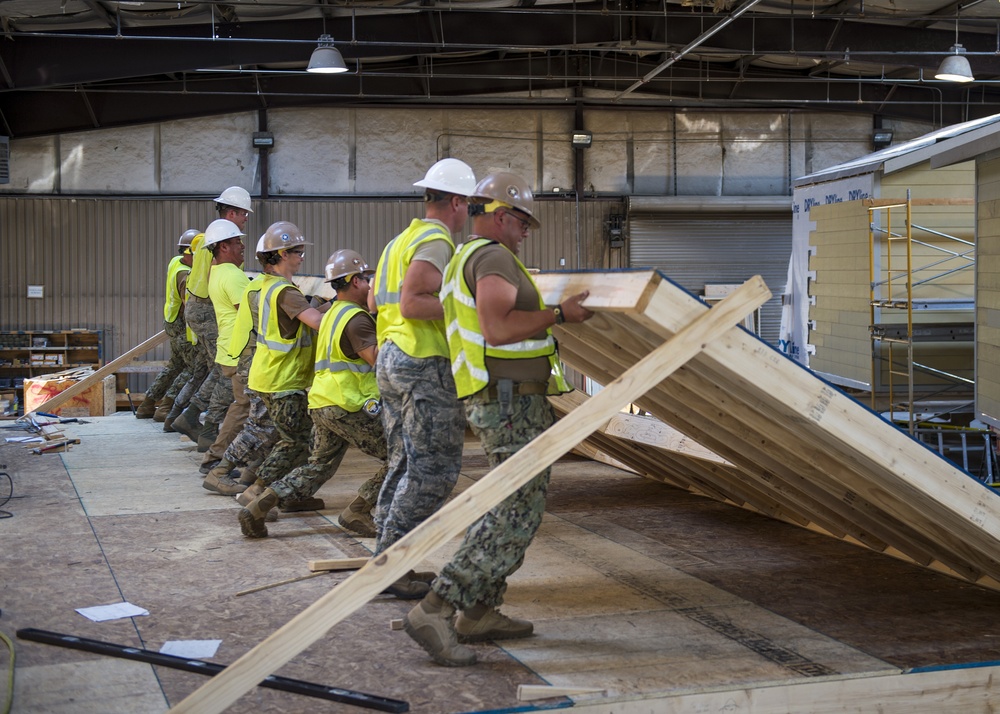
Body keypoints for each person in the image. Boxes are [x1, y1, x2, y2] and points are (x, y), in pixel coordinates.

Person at [403, 171, 593, 666]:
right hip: (508, 401)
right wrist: (559, 315)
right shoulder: (491, 256)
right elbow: (497, 328)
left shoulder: (470, 255)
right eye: (523, 221)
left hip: (502, 397)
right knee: (514, 510)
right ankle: (438, 606)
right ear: (501, 216)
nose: (528, 230)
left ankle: (480, 609)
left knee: (514, 504)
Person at [368, 158, 477, 599]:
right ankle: (393, 563)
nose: (469, 211)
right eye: (468, 203)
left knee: (404, 462)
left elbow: (376, 300)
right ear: (456, 201)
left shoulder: (400, 240)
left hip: (392, 356)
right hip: (423, 361)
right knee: (433, 471)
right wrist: (470, 308)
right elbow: (414, 303)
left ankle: (385, 559)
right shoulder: (437, 240)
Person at [239, 249, 387, 538]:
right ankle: (358, 509)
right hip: (348, 404)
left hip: (322, 401)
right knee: (402, 455)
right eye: (366, 279)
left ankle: (258, 506)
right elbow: (379, 362)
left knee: (317, 465)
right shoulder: (356, 319)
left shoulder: (332, 315)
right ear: (355, 281)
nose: (370, 286)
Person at [233, 221, 326, 537]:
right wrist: (345, 310)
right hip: (283, 379)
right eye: (298, 252)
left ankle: (277, 492)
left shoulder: (264, 286)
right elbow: (317, 323)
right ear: (282, 253)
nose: (301, 257)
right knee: (296, 441)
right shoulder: (287, 293)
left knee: (292, 439)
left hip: (267, 374)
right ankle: (256, 492)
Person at [171, 187, 253, 451]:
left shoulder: (212, 237)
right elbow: (222, 279)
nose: (245, 219)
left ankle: (192, 417)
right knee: (231, 370)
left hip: (202, 306)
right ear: (231, 212)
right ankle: (202, 425)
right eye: (243, 213)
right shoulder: (220, 240)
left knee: (221, 369)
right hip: (208, 308)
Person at [198, 217, 251, 484]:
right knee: (244, 406)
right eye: (236, 242)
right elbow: (250, 314)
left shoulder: (217, 272)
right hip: (240, 351)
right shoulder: (232, 275)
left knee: (243, 406)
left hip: (229, 350)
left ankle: (221, 457)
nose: (242, 246)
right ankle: (217, 459)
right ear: (222, 247)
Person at [134, 229, 199, 419]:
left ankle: (146, 405)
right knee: (193, 368)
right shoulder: (185, 276)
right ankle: (166, 408)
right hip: (182, 326)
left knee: (175, 365)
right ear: (189, 254)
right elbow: (191, 306)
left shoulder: (175, 262)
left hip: (171, 321)